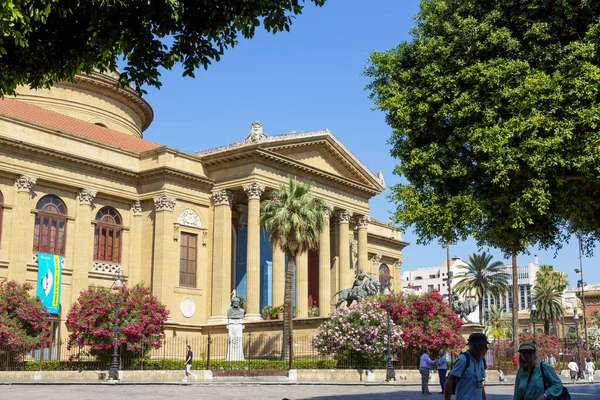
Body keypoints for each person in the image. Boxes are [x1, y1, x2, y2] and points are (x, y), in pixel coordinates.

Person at [444, 332, 488, 400]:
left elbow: (480, 385)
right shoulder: (463, 360)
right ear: (474, 347)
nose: (486, 349)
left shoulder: (481, 361)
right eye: (482, 346)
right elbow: (449, 381)